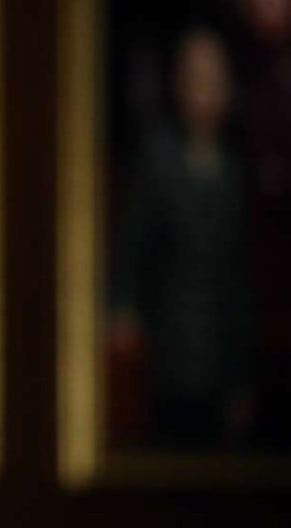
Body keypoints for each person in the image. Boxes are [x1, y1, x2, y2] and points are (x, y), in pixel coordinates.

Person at [110, 28, 253, 449]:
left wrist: (241, 377)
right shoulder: (157, 157)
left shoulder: (236, 168)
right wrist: (123, 306)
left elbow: (238, 278)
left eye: (213, 78)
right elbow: (131, 244)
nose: (203, 90)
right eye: (194, 77)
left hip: (222, 351)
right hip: (167, 345)